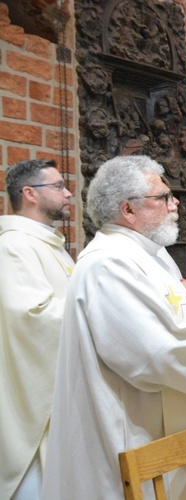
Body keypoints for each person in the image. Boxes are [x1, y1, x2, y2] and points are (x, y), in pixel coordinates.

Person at [42, 156, 186, 499]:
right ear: (128, 210)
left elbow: (175, 320)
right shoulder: (108, 264)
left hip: (165, 424)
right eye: (163, 197)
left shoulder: (151, 255)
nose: (175, 204)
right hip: (133, 430)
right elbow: (153, 354)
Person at [0, 159, 75, 500]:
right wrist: (100, 311)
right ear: (29, 193)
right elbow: (32, 316)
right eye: (58, 186)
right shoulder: (14, 246)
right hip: (36, 406)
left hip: (63, 396)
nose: (68, 192)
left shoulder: (48, 244)